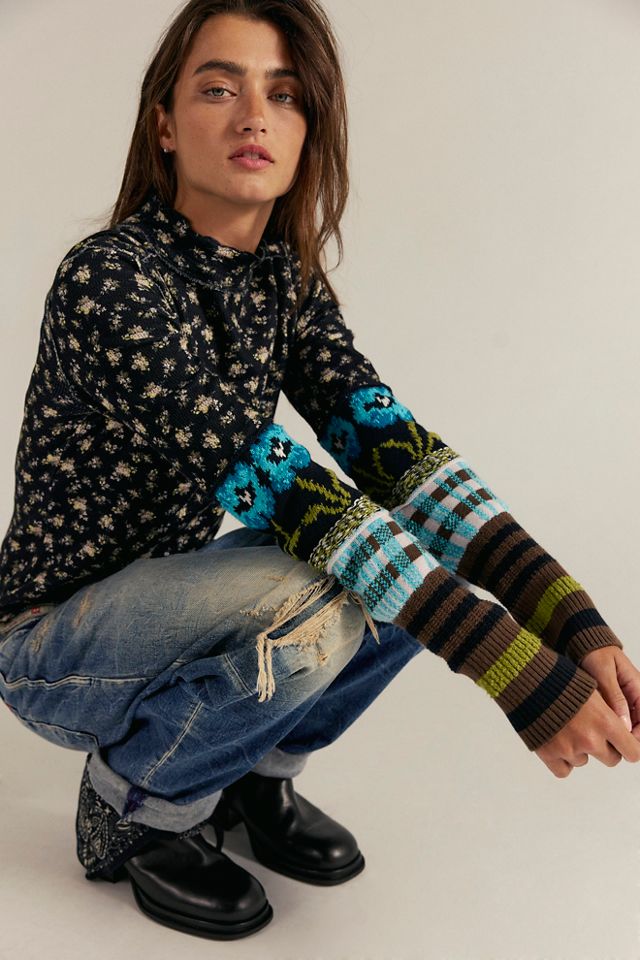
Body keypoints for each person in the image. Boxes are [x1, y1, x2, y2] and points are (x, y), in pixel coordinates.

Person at [1, 0, 639, 942]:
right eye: (218, 89)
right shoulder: (110, 279)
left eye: (285, 94)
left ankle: (249, 774)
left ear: (310, 132)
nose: (253, 116)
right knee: (331, 576)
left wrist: (572, 622)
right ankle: (136, 805)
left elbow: (399, 456)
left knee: (413, 532)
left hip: (172, 602)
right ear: (165, 126)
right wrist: (517, 675)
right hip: (53, 647)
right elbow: (283, 486)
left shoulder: (283, 281)